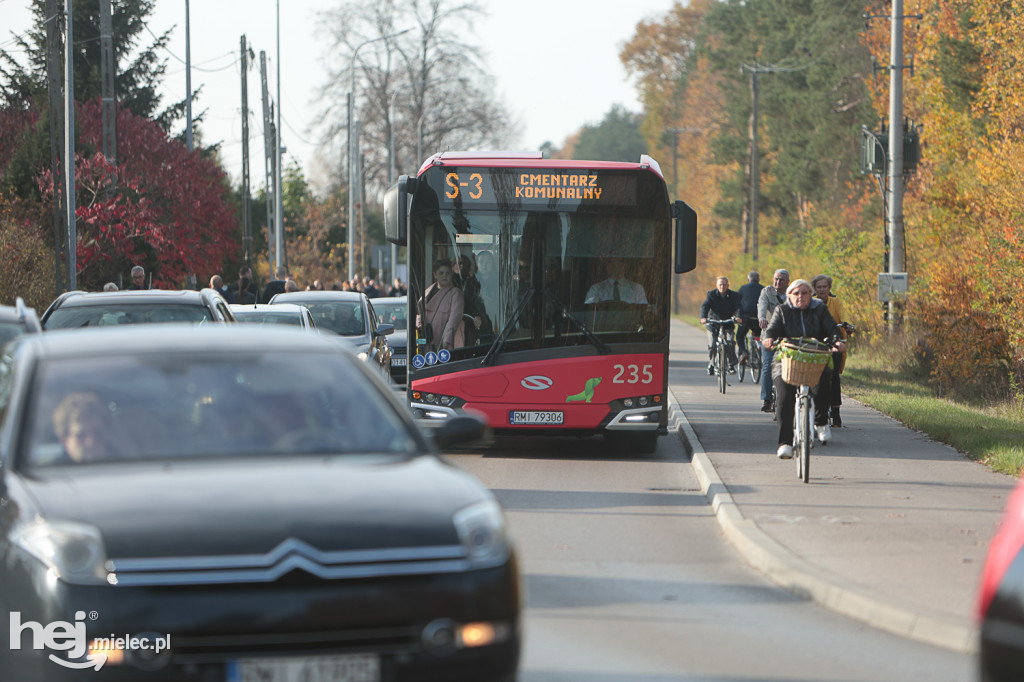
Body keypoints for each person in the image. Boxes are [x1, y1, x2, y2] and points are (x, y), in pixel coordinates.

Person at [762, 279, 846, 459]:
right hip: (787, 360)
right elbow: (772, 329)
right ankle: (785, 443)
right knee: (784, 398)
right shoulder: (782, 310)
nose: (800, 296)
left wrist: (837, 341)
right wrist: (769, 339)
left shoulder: (819, 309)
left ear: (810, 294)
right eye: (795, 293)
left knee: (824, 384)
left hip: (814, 358)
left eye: (804, 293)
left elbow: (832, 330)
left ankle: (821, 422)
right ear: (789, 296)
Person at [812, 274, 849, 427]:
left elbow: (844, 316)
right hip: (815, 344)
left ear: (829, 288)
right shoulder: (811, 303)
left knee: (833, 376)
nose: (822, 289)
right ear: (814, 289)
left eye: (824, 287)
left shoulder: (835, 302)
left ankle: (836, 413)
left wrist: (847, 324)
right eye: (819, 287)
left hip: (832, 342)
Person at [52, 392, 121, 463]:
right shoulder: (50, 472)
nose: (91, 442)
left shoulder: (124, 468)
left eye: (98, 433)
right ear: (64, 441)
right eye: (81, 435)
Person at [757, 269, 790, 411]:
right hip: (769, 335)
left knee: (789, 366)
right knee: (767, 366)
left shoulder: (792, 293)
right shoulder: (767, 292)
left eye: (782, 279)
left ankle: (788, 397)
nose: (778, 282)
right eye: (776, 278)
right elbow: (761, 306)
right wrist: (762, 318)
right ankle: (767, 399)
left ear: (787, 281)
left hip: (787, 336)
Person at [418, 259, 464, 352]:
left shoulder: (455, 293)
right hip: (427, 338)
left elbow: (454, 319)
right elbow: (419, 313)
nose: (444, 276)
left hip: (443, 340)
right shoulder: (427, 292)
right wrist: (419, 329)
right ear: (435, 275)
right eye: (441, 273)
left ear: (451, 275)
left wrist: (447, 340)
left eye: (447, 273)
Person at [699, 276, 742, 374]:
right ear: (717, 285)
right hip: (713, 323)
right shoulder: (711, 294)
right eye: (720, 284)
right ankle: (712, 363)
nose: (722, 286)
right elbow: (705, 306)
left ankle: (731, 364)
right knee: (713, 345)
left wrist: (738, 317)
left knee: (730, 342)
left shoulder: (734, 295)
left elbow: (739, 307)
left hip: (728, 323)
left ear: (728, 285)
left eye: (724, 284)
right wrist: (703, 317)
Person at [736, 271, 763, 364]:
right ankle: (758, 353)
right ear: (759, 280)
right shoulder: (764, 289)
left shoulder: (743, 288)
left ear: (748, 279)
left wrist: (737, 315)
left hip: (746, 319)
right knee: (759, 336)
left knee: (739, 336)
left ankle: (743, 352)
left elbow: (737, 302)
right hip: (759, 320)